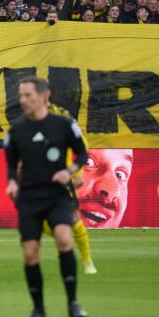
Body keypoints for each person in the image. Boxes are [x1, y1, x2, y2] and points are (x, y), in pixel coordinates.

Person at [5, 76, 89, 317]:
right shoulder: (16, 129)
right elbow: (10, 165)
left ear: (44, 95)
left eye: (28, 95)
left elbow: (82, 154)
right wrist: (12, 182)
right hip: (29, 198)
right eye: (20, 95)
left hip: (57, 196)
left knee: (64, 240)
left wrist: (69, 170)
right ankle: (38, 310)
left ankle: (73, 304)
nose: (23, 100)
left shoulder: (63, 125)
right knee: (30, 253)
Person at [48, 102, 97, 274]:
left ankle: (87, 261)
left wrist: (77, 174)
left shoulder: (65, 120)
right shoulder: (28, 122)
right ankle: (64, 254)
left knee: (73, 218)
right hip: (38, 180)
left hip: (63, 179)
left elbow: (82, 148)